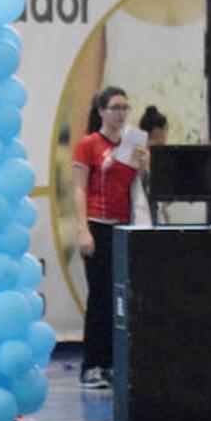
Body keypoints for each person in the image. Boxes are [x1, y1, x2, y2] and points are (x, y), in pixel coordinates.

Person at [71, 85, 148, 389]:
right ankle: (92, 364)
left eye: (125, 108)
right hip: (97, 223)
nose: (120, 113)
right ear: (101, 111)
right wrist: (83, 230)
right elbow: (79, 188)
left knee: (122, 300)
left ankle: (115, 363)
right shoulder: (89, 145)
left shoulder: (133, 144)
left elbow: (137, 188)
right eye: (115, 107)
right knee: (100, 298)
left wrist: (144, 167)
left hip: (124, 226)